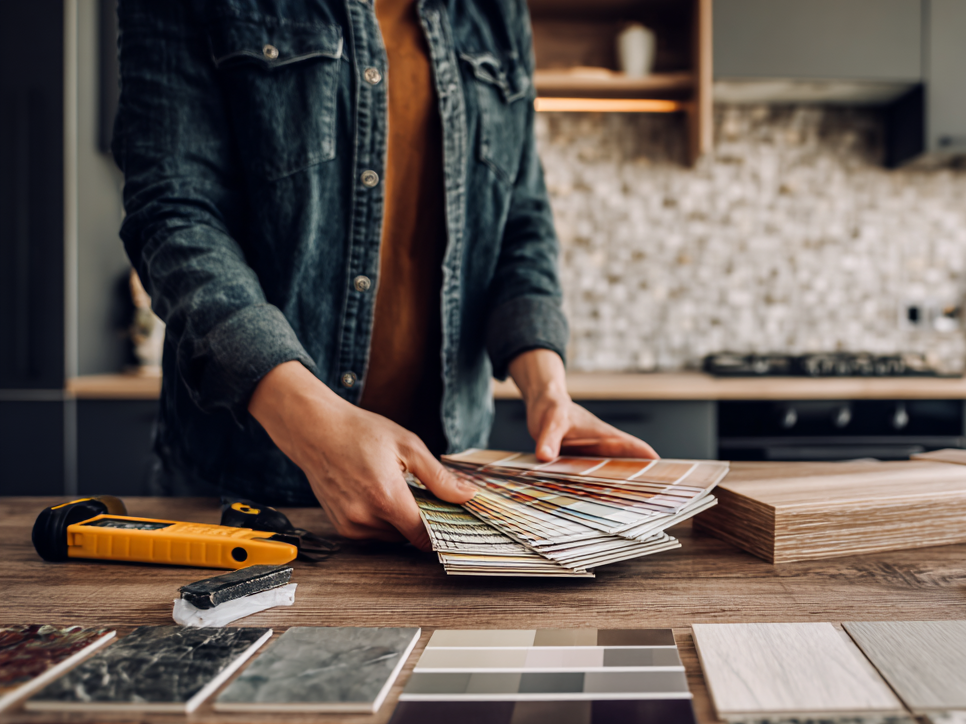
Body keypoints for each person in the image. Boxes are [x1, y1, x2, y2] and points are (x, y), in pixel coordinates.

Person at [114, 0, 655, 550]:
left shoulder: (498, 10)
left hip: (447, 487)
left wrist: (547, 390)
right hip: (246, 492)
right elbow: (174, 213)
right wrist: (315, 426)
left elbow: (520, 223)